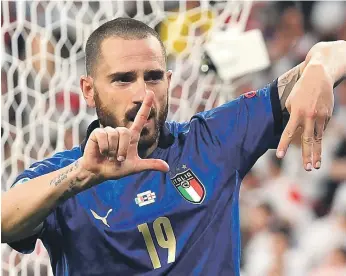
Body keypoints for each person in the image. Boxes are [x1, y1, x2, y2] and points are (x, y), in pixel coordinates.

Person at [1, 17, 345, 275]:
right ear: (89, 89)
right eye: (123, 79)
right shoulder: (64, 175)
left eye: (152, 77)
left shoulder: (212, 140)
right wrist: (80, 175)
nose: (142, 94)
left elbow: (335, 53)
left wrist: (317, 67)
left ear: (168, 81)